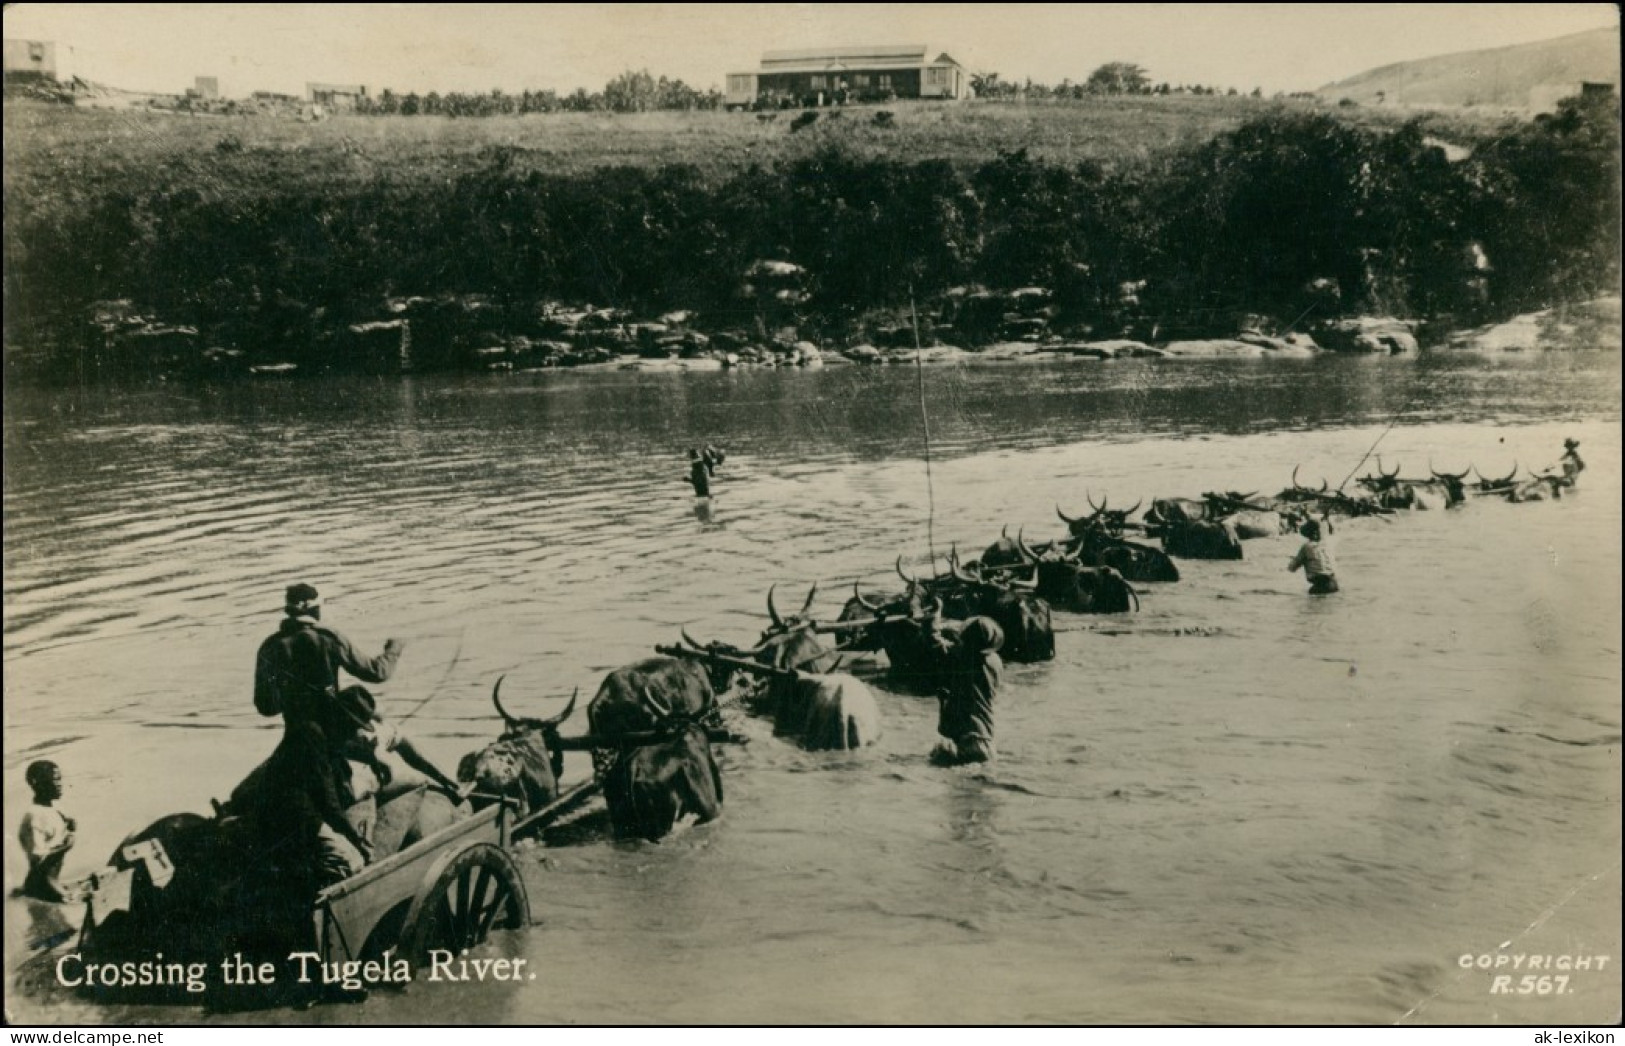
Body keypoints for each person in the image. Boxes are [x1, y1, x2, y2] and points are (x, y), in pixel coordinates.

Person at [328, 685, 464, 854]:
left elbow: (405, 745)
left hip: (371, 794)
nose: (356, 732)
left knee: (417, 780)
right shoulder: (325, 747)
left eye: (358, 725)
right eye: (347, 726)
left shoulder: (372, 734)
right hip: (350, 801)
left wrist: (444, 778)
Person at [254, 583, 403, 729]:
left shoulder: (269, 646)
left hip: (297, 735)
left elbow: (265, 707)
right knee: (395, 735)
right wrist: (394, 649)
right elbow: (377, 673)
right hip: (333, 729)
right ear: (311, 608)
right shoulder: (329, 638)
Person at [929, 616, 1004, 767]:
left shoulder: (964, 659)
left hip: (967, 742)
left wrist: (935, 616)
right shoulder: (995, 661)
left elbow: (933, 641)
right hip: (987, 742)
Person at [17, 761, 77, 902]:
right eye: (55, 780)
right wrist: (65, 847)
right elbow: (38, 860)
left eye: (60, 779)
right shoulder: (34, 816)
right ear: (38, 783)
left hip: (52, 881)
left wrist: (70, 827)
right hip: (42, 886)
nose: (60, 784)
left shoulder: (54, 808)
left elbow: (54, 836)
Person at [1288, 518, 1339, 595]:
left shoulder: (1306, 547)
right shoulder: (1328, 544)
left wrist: (1296, 560)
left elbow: (1291, 568)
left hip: (1320, 585)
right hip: (1334, 584)